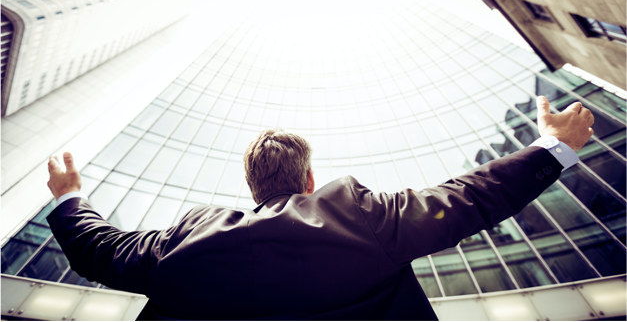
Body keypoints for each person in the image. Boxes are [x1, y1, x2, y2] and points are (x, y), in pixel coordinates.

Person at [46, 96, 594, 321]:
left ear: (252, 187)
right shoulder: (357, 213)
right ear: (309, 180)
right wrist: (552, 147)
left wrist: (71, 195)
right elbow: (467, 198)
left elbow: (98, 251)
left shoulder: (184, 243)